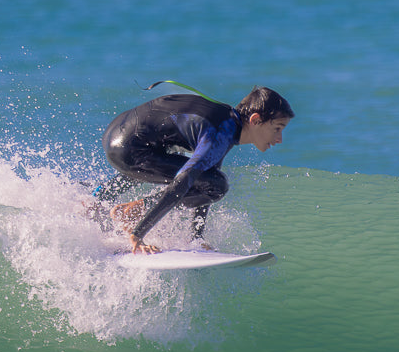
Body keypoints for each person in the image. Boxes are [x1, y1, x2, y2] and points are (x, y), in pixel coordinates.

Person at [91, 84, 294, 254]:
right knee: (218, 185)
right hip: (128, 150)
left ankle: (96, 198)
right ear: (255, 120)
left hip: (117, 134)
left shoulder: (226, 120)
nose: (279, 139)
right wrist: (138, 235)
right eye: (277, 128)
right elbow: (185, 182)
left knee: (198, 174)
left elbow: (204, 177)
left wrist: (196, 238)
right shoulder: (220, 134)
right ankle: (132, 215)